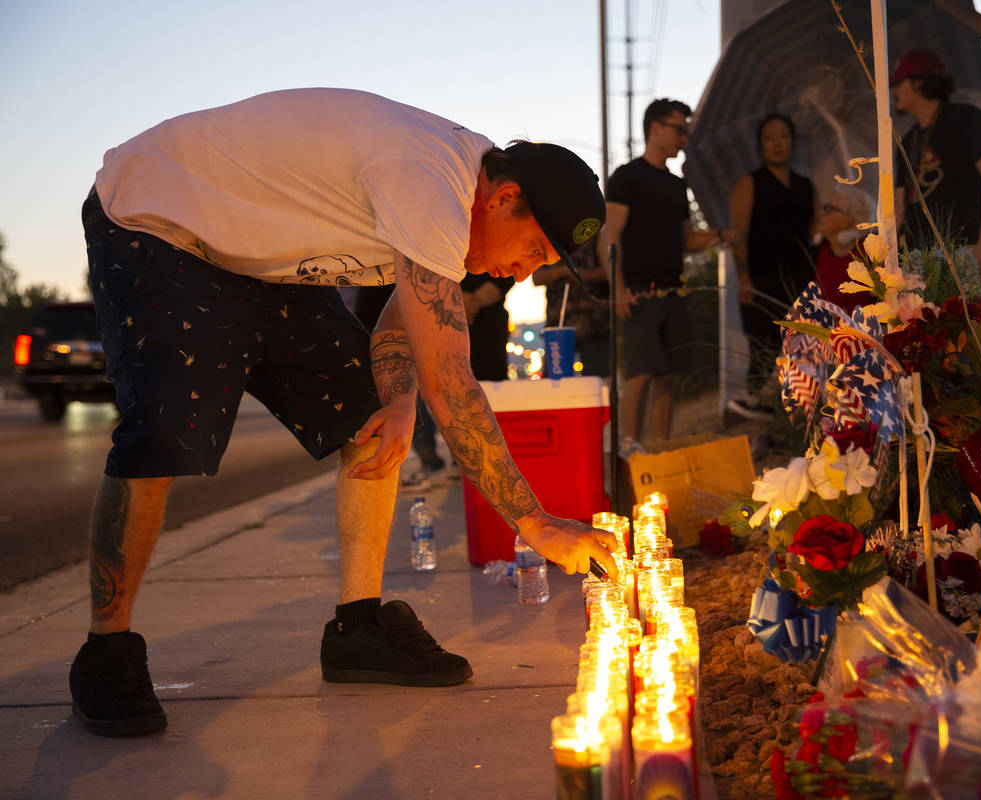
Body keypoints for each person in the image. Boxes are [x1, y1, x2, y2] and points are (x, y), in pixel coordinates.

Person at [71, 88, 620, 737]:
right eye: (532, 251)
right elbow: (453, 379)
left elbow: (400, 332)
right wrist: (535, 522)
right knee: (166, 426)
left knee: (368, 416)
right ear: (502, 199)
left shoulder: (451, 203)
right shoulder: (430, 176)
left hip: (257, 267)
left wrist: (400, 398)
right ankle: (105, 650)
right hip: (154, 220)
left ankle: (355, 628)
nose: (524, 275)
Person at [600, 98, 733, 447]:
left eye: (686, 131)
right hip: (640, 291)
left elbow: (687, 239)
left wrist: (720, 234)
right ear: (655, 128)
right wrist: (618, 289)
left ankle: (659, 451)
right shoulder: (627, 177)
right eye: (679, 129)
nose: (684, 138)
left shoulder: (676, 186)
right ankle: (629, 451)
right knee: (640, 373)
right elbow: (610, 235)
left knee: (666, 377)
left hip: (675, 291)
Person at [726, 113, 816, 421]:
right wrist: (743, 277)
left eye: (783, 136)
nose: (777, 143)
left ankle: (797, 410)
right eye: (769, 137)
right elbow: (738, 235)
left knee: (802, 346)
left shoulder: (806, 185)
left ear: (792, 141)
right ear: (760, 145)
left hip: (802, 276)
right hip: (761, 277)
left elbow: (813, 231)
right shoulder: (749, 182)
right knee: (764, 347)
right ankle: (750, 406)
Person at [891, 49, 981, 281]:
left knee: (964, 318)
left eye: (898, 83)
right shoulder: (907, 140)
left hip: (964, 250)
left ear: (919, 82)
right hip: (915, 257)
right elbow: (900, 204)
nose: (893, 91)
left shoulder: (967, 118)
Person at [353, 286, 445, 481]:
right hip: (381, 336)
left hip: (395, 337)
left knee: (409, 406)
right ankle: (426, 459)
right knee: (404, 408)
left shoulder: (399, 273)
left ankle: (428, 458)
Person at [533, 237, 611, 377]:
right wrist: (564, 272)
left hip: (595, 322)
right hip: (559, 322)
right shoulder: (548, 237)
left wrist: (572, 273)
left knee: (596, 377)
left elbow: (606, 271)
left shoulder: (596, 235)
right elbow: (537, 277)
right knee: (554, 378)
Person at [812, 184, 876, 314]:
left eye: (829, 209)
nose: (820, 213)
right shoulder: (821, 251)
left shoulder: (870, 252)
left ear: (848, 219)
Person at [460, 273, 516, 381]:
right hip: (446, 309)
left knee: (492, 375)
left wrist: (467, 302)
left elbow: (508, 273)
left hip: (490, 325)